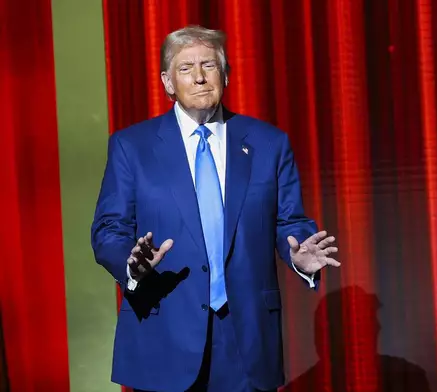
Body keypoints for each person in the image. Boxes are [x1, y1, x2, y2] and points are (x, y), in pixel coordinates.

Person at [91, 25, 340, 392]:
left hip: (245, 337)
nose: (200, 77)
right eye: (186, 68)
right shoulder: (132, 147)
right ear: (168, 82)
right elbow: (108, 228)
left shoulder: (268, 143)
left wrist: (300, 258)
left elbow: (290, 221)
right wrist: (130, 263)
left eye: (209, 64)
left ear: (225, 74)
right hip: (165, 331)